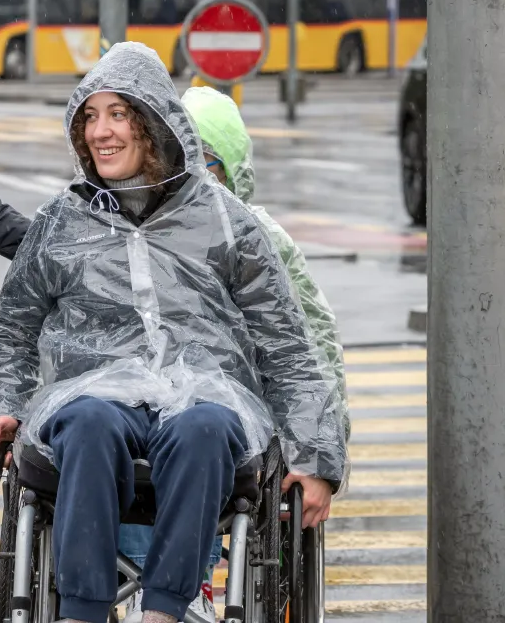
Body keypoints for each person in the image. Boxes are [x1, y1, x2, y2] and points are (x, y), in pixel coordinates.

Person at [0, 43, 346, 623]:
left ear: (155, 125)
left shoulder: (226, 221)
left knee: (203, 427)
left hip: (208, 395)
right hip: (93, 393)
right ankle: (83, 611)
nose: (101, 132)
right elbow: (11, 331)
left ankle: (165, 610)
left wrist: (314, 458)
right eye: (90, 117)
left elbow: (289, 346)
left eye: (118, 114)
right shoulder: (60, 222)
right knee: (91, 422)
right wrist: (2, 402)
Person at [109, 87, 355, 602]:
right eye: (184, 157)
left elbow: (310, 350)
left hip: (231, 413)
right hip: (136, 406)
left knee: (199, 433)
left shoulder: (260, 239)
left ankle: (180, 585)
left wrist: (318, 453)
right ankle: (135, 585)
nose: (197, 177)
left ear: (234, 171)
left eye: (210, 163)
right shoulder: (125, 226)